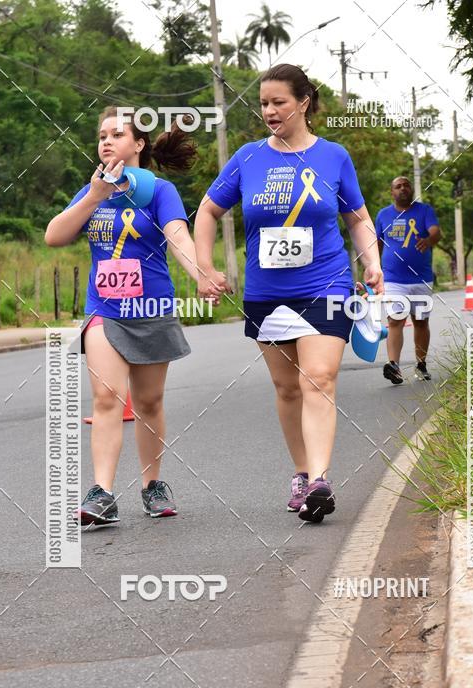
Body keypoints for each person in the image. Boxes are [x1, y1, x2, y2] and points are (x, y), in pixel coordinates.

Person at [194, 64, 383, 523]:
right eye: (263, 103)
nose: (269, 111)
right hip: (267, 292)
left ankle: (320, 479)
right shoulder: (248, 157)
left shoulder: (334, 156)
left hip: (326, 282)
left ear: (303, 102)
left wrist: (373, 262)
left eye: (278, 101)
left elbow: (357, 218)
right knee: (286, 387)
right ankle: (301, 473)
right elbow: (207, 210)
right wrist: (204, 267)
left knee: (318, 376)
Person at [45, 106, 199, 525]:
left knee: (148, 402)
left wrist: (202, 275)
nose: (107, 141)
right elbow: (54, 236)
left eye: (116, 134)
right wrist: (94, 196)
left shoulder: (159, 190)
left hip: (151, 308)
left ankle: (152, 486)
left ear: (139, 143)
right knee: (106, 398)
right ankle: (102, 493)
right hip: (104, 310)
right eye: (101, 136)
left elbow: (178, 236)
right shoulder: (91, 190)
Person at [375, 176, 441, 385]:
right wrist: (374, 269)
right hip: (393, 279)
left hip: (421, 278)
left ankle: (421, 364)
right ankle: (393, 365)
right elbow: (376, 243)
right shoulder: (383, 215)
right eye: (398, 186)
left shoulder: (424, 210)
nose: (403, 188)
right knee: (395, 320)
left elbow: (436, 232)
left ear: (411, 189)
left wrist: (429, 240)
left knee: (421, 321)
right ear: (391, 192)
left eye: (406, 185)